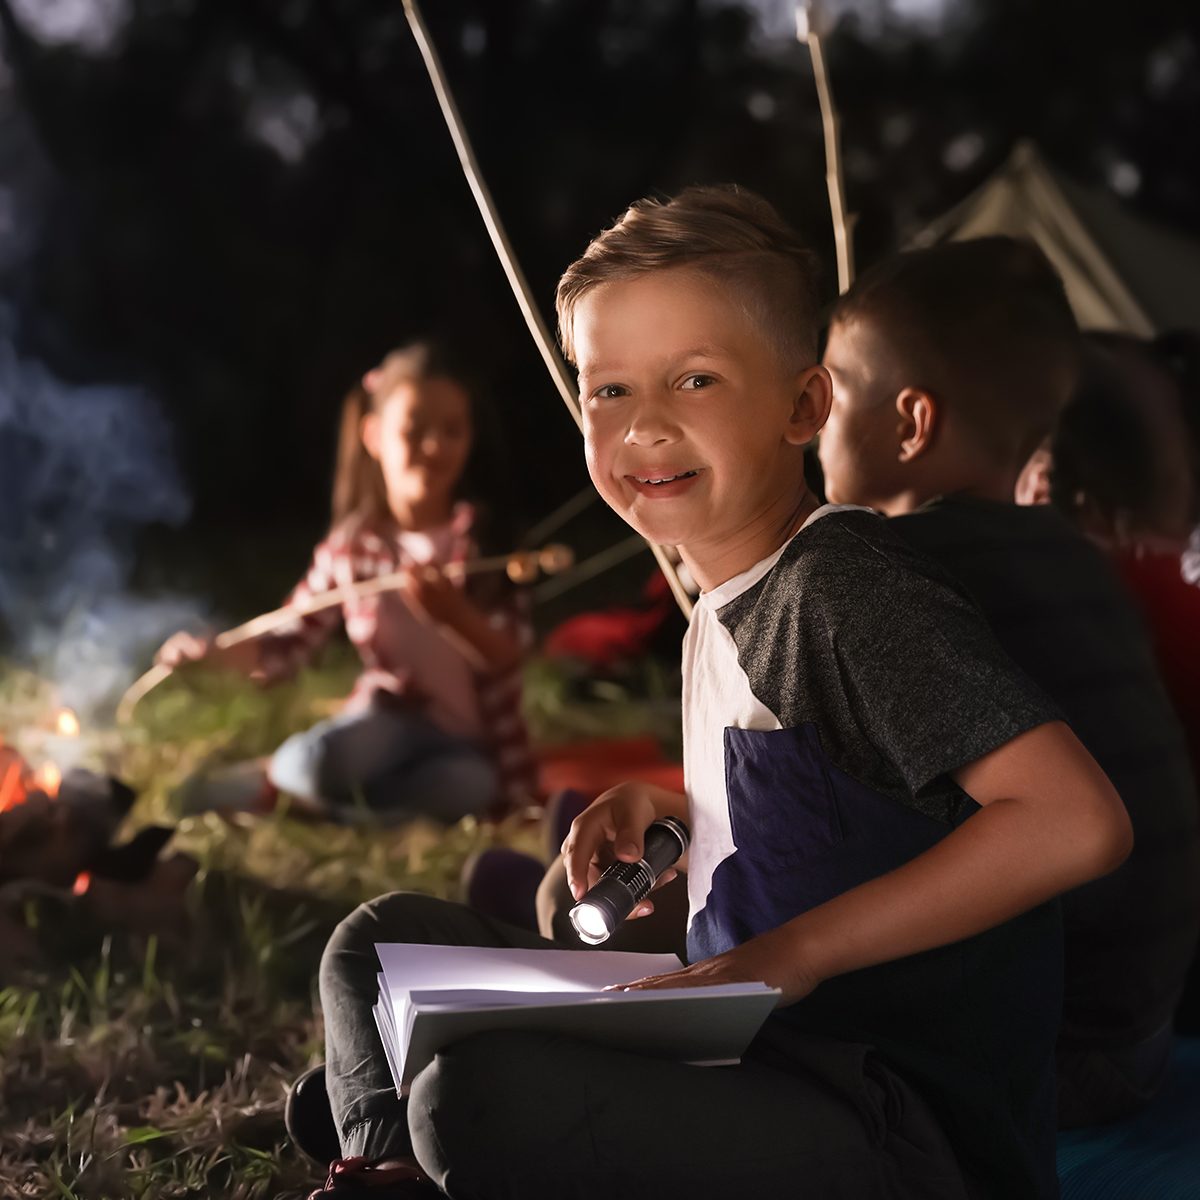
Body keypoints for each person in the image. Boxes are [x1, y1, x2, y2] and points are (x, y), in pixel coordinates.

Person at [303, 187, 1131, 1200]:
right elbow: (839, 805)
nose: (645, 426)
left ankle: (414, 1148)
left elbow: (1075, 821)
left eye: (694, 379)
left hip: (891, 1115)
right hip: (734, 1041)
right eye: (608, 390)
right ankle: (394, 1173)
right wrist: (675, 816)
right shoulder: (715, 599)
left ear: (804, 406)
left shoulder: (845, 587)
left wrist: (793, 953)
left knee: (463, 1097)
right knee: (375, 946)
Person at [816, 238, 1200, 1127]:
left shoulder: (894, 569)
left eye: (829, 394)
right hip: (1138, 1031)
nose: (812, 423)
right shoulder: (1079, 561)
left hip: (1032, 1059)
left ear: (909, 423)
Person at [156, 341, 535, 824]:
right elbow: (291, 637)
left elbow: (508, 656)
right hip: (388, 722)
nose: (436, 446)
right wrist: (214, 655)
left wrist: (452, 617)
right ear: (374, 436)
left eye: (452, 431)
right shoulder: (354, 546)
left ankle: (317, 810)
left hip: (466, 740)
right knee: (317, 762)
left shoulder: (484, 542)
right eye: (415, 430)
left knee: (467, 787)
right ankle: (308, 790)